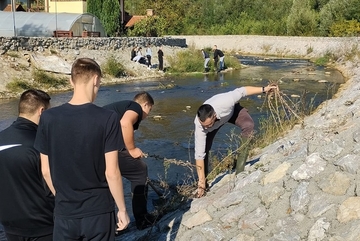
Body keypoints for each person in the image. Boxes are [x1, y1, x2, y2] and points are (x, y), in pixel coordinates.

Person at [34, 58, 130, 240]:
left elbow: (46, 171)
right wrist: (123, 210)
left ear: (71, 81)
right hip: (99, 212)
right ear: (95, 80)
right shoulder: (108, 118)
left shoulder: (48, 118)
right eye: (100, 83)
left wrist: (63, 197)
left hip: (64, 213)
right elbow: (112, 172)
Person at [194, 85, 278, 198]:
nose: (206, 128)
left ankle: (240, 172)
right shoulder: (201, 126)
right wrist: (201, 183)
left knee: (249, 125)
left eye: (208, 125)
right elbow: (199, 155)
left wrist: (264, 89)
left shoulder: (226, 101)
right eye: (204, 125)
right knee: (204, 150)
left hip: (231, 113)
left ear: (214, 116)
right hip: (216, 123)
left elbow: (243, 91)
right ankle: (204, 185)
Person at [0, 89, 54, 241]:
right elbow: (53, 186)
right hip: (44, 225)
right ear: (42, 111)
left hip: (10, 226)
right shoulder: (42, 144)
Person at [103, 91, 160, 230]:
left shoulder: (121, 108)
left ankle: (109, 227)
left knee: (104, 183)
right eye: (150, 110)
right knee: (140, 170)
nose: (147, 115)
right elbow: (125, 123)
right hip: (103, 147)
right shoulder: (135, 107)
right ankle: (142, 219)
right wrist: (132, 149)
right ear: (145, 105)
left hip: (94, 146)